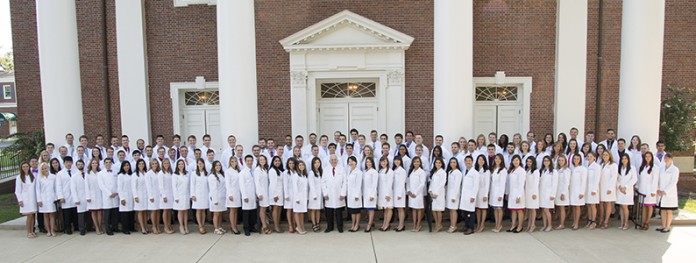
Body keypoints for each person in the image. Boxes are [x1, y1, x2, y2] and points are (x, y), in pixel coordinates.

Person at [322, 154, 347, 233]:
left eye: (335, 159)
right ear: (329, 161)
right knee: (329, 211)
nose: (333, 161)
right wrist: (325, 193)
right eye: (332, 160)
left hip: (339, 193)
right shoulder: (326, 169)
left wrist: (343, 193)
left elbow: (345, 182)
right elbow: (323, 182)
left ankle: (340, 227)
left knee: (339, 212)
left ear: (337, 160)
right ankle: (330, 227)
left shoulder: (342, 169)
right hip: (329, 194)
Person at [657, 154, 679, 233]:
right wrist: (658, 189)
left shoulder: (675, 169)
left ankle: (667, 226)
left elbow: (673, 182)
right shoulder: (662, 168)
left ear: (671, 159)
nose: (666, 159)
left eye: (668, 158)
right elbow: (659, 180)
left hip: (669, 193)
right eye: (665, 158)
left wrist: (665, 191)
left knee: (669, 211)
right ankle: (663, 225)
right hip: (661, 193)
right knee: (663, 210)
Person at [15, 162, 37, 238]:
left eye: (26, 166)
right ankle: (28, 232)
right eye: (23, 167)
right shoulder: (19, 177)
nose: (25, 168)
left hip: (32, 198)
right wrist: (20, 200)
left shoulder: (32, 176)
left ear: (29, 167)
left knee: (32, 216)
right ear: (21, 168)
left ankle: (32, 230)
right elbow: (17, 190)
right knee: (29, 216)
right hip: (25, 199)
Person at [638, 151, 659, 230]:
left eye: (649, 156)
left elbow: (655, 180)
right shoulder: (642, 167)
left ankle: (647, 222)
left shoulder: (655, 168)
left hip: (650, 190)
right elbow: (640, 179)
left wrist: (653, 191)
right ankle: (642, 222)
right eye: (646, 156)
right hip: (642, 190)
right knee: (643, 206)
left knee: (649, 206)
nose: (647, 158)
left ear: (652, 158)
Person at [97, 158, 119, 235]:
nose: (108, 164)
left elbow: (117, 183)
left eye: (110, 162)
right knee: (107, 214)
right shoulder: (100, 173)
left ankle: (114, 227)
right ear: (104, 164)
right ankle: (108, 229)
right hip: (107, 196)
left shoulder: (115, 172)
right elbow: (101, 185)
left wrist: (116, 192)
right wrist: (109, 193)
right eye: (106, 162)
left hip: (115, 195)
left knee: (115, 214)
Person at [36, 162, 59, 237]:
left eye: (46, 168)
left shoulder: (53, 177)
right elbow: (38, 190)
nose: (44, 170)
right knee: (45, 215)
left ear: (48, 168)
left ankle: (52, 230)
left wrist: (56, 198)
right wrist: (39, 200)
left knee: (52, 215)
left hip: (52, 198)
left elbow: (56, 188)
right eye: (43, 169)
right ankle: (48, 230)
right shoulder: (39, 178)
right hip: (43, 199)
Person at [458, 156, 479, 235]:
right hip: (464, 195)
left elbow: (476, 185)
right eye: (466, 161)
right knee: (465, 211)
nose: (468, 162)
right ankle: (466, 226)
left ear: (472, 162)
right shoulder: (464, 171)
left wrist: (473, 196)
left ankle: (471, 228)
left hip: (470, 195)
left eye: (470, 161)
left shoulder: (475, 173)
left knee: (471, 212)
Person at [56, 157, 77, 235]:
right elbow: (58, 186)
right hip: (65, 196)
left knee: (74, 213)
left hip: (74, 196)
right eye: (67, 162)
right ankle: (67, 228)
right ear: (64, 163)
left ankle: (76, 226)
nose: (68, 164)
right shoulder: (60, 174)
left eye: (70, 162)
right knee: (66, 214)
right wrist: (61, 197)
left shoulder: (75, 172)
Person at [616, 154, 637, 230]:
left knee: (625, 207)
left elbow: (634, 179)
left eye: (625, 158)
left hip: (627, 191)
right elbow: (616, 179)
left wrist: (626, 187)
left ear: (628, 160)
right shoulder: (619, 168)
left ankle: (626, 223)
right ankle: (622, 223)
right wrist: (619, 187)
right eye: (622, 159)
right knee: (621, 207)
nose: (624, 160)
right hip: (619, 189)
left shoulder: (632, 168)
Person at [598, 151, 618, 229]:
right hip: (601, 187)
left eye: (606, 155)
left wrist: (610, 188)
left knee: (608, 204)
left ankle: (606, 221)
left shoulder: (613, 165)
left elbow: (614, 177)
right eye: (603, 155)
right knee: (601, 204)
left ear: (610, 156)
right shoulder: (601, 165)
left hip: (608, 187)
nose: (605, 156)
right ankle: (601, 220)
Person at [407, 156, 426, 232]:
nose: (416, 163)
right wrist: (409, 191)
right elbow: (408, 182)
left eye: (418, 161)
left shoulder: (422, 172)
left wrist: (415, 193)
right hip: (411, 193)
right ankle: (414, 224)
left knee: (418, 209)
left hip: (417, 194)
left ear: (420, 163)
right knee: (413, 209)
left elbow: (422, 184)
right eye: (415, 162)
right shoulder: (411, 171)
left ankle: (419, 224)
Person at [507, 155, 526, 233]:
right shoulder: (512, 170)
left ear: (520, 161)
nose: (515, 162)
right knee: (513, 210)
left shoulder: (521, 171)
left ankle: (520, 226)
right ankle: (513, 225)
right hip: (512, 193)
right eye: (514, 160)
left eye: (517, 160)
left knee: (519, 210)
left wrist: (519, 196)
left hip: (518, 193)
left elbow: (521, 184)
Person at [538, 156, 558, 232]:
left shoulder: (553, 171)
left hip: (549, 194)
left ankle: (550, 225)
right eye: (544, 161)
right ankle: (544, 225)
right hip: (542, 193)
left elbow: (554, 184)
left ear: (550, 162)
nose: (546, 162)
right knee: (543, 209)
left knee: (547, 210)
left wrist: (553, 194)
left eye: (547, 160)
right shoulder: (542, 171)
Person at [240, 155, 258, 236]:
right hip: (247, 196)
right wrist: (244, 196)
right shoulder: (242, 173)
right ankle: (246, 228)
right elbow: (242, 185)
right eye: (248, 161)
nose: (250, 162)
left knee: (253, 213)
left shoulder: (254, 171)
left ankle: (252, 227)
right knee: (246, 213)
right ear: (245, 161)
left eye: (251, 161)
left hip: (253, 195)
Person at [253, 155, 271, 235]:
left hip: (266, 191)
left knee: (264, 209)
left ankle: (265, 223)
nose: (262, 161)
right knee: (262, 209)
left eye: (264, 159)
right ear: (258, 161)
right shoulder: (257, 170)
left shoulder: (264, 169)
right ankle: (264, 225)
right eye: (261, 159)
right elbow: (257, 183)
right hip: (262, 193)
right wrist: (258, 193)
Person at [191, 158, 210, 234]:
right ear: (197, 164)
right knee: (198, 210)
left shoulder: (206, 173)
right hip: (197, 194)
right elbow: (192, 185)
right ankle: (200, 226)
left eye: (202, 163)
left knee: (203, 210)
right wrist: (193, 194)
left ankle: (203, 224)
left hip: (205, 194)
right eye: (199, 163)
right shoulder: (194, 173)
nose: (200, 165)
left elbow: (208, 185)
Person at [489, 154, 507, 233]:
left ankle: (499, 225)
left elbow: (502, 183)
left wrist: (501, 194)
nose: (497, 160)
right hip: (493, 191)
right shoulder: (494, 169)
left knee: (499, 209)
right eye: (496, 158)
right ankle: (496, 224)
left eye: (499, 159)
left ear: (502, 160)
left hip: (499, 191)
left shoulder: (503, 170)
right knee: (495, 209)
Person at [85, 159, 104, 235]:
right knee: (93, 212)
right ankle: (96, 227)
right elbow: (86, 186)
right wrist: (88, 196)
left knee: (99, 212)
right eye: (93, 163)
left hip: (99, 194)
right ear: (90, 164)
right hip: (92, 195)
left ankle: (99, 226)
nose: (94, 164)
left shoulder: (100, 173)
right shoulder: (88, 174)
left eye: (96, 163)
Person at [208, 161, 227, 235]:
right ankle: (216, 228)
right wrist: (215, 199)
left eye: (219, 165)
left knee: (220, 213)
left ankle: (219, 227)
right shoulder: (212, 176)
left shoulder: (221, 175)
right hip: (216, 197)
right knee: (216, 214)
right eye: (216, 165)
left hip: (222, 197)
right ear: (213, 167)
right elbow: (213, 189)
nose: (218, 167)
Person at [569, 155, 588, 230]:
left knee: (577, 207)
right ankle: (574, 222)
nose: (576, 160)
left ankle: (577, 223)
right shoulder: (571, 168)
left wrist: (582, 192)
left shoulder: (583, 169)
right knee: (573, 206)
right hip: (572, 190)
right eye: (575, 159)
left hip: (578, 190)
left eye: (578, 159)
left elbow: (584, 181)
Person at [428, 157, 446, 232]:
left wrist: (436, 193)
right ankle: (436, 223)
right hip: (433, 193)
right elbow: (431, 183)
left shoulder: (443, 172)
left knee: (438, 210)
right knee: (434, 209)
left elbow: (442, 184)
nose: (437, 164)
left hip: (439, 194)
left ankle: (439, 224)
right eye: (436, 163)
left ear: (442, 164)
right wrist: (430, 191)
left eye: (439, 163)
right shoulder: (434, 172)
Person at [224, 157, 241, 235]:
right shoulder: (228, 171)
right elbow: (227, 183)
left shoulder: (237, 171)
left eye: (235, 161)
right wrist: (229, 194)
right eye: (232, 161)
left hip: (237, 193)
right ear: (230, 162)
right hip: (232, 193)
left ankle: (235, 225)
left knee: (236, 210)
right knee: (232, 210)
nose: (234, 162)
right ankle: (233, 226)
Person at [131, 159, 149, 234]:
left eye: (142, 164)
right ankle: (142, 228)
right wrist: (135, 196)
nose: (141, 165)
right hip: (139, 195)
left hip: (146, 195)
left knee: (145, 211)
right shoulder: (135, 175)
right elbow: (133, 187)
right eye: (139, 164)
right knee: (140, 211)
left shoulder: (146, 173)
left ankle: (145, 226)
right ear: (137, 165)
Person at [116, 161, 134, 235]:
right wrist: (122, 198)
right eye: (125, 166)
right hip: (124, 196)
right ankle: (125, 228)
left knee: (131, 213)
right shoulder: (120, 175)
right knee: (124, 214)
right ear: (122, 167)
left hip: (131, 195)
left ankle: (131, 227)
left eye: (128, 165)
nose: (127, 167)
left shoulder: (131, 175)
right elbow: (119, 188)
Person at [346, 156, 363, 232]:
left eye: (352, 161)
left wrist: (356, 195)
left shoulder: (358, 172)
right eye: (349, 161)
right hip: (350, 194)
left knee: (357, 210)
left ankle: (357, 225)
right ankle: (353, 224)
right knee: (352, 210)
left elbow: (358, 184)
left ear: (356, 162)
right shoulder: (348, 171)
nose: (351, 163)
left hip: (356, 194)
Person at [268, 156, 285, 233]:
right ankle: (275, 226)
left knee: (279, 209)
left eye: (279, 161)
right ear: (273, 162)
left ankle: (278, 223)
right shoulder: (272, 171)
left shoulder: (280, 171)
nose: (277, 162)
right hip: (275, 193)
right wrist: (274, 195)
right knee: (275, 209)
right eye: (275, 161)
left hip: (280, 193)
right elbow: (272, 184)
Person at [377, 156, 394, 231]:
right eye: (382, 161)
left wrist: (388, 194)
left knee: (389, 208)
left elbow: (390, 183)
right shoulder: (380, 171)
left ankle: (387, 225)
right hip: (382, 192)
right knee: (385, 209)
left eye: (384, 161)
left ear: (387, 162)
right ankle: (384, 223)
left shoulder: (390, 171)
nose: (383, 163)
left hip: (388, 193)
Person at [474, 155, 490, 233]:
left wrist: (485, 195)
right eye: (479, 159)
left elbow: (487, 184)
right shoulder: (475, 170)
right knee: (478, 209)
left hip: (483, 192)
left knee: (483, 208)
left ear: (484, 161)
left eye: (482, 160)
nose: (480, 161)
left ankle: (482, 224)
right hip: (477, 192)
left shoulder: (486, 171)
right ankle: (478, 223)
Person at [293, 160, 310, 235]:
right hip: (298, 196)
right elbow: (295, 187)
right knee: (297, 212)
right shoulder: (295, 175)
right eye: (300, 165)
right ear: (297, 166)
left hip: (303, 196)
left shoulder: (304, 175)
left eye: (302, 165)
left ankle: (302, 226)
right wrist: (297, 198)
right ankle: (298, 227)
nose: (301, 166)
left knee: (302, 212)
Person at [585, 153, 601, 229]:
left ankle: (594, 221)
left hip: (593, 189)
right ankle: (590, 220)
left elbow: (597, 178)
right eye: (588, 156)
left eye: (591, 156)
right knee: (588, 205)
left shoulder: (597, 167)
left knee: (592, 205)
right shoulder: (586, 165)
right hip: (587, 188)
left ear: (594, 158)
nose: (589, 158)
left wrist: (594, 189)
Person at [158, 159, 175, 234]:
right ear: (162, 164)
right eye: (165, 163)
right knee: (165, 210)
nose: (166, 164)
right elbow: (161, 186)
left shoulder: (170, 172)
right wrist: (164, 196)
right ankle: (165, 226)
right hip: (165, 194)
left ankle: (169, 224)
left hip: (171, 194)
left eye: (168, 163)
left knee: (169, 210)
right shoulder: (161, 173)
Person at [362, 157, 379, 232]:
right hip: (366, 193)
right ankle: (372, 222)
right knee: (368, 209)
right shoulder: (365, 171)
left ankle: (369, 225)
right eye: (367, 162)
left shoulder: (374, 172)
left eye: (370, 162)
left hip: (371, 193)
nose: (368, 163)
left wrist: (372, 195)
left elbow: (375, 184)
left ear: (372, 163)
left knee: (371, 209)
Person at [391, 156, 407, 232]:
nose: (397, 162)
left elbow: (402, 183)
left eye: (398, 160)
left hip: (399, 193)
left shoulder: (402, 171)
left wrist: (400, 194)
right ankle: (399, 225)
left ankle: (401, 225)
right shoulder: (394, 170)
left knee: (401, 209)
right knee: (398, 209)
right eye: (395, 160)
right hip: (395, 192)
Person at [554, 155, 570, 230]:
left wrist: (563, 193)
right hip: (557, 190)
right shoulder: (557, 169)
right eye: (559, 160)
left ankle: (562, 224)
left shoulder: (566, 170)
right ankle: (560, 222)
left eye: (562, 160)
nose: (560, 162)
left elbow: (566, 182)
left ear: (565, 161)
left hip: (562, 191)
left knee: (562, 207)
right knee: (559, 207)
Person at [145, 159, 162, 234]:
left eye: (156, 163)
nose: (155, 165)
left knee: (158, 211)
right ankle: (153, 226)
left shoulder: (158, 173)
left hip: (159, 195)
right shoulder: (148, 174)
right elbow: (148, 186)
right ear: (150, 165)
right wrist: (150, 196)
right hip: (152, 195)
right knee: (153, 211)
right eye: (153, 164)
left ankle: (157, 225)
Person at [524, 157, 540, 233]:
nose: (529, 163)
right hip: (527, 191)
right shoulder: (527, 170)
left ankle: (533, 224)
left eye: (530, 162)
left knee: (533, 209)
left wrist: (534, 193)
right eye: (527, 162)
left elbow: (536, 182)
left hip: (533, 192)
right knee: (529, 209)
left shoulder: (536, 171)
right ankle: (529, 224)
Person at [308, 157, 323, 232]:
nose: (317, 164)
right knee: (313, 210)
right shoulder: (311, 172)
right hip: (314, 194)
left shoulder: (319, 172)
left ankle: (318, 222)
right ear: (313, 164)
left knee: (318, 210)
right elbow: (311, 184)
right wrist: (314, 195)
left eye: (318, 162)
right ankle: (314, 224)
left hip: (319, 194)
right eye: (315, 163)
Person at [284, 158, 297, 233]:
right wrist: (286, 195)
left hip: (295, 194)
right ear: (287, 164)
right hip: (288, 193)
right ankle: (290, 225)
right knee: (289, 209)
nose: (291, 165)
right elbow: (285, 185)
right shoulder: (285, 173)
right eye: (290, 163)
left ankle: (294, 224)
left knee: (295, 210)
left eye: (293, 163)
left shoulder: (296, 172)